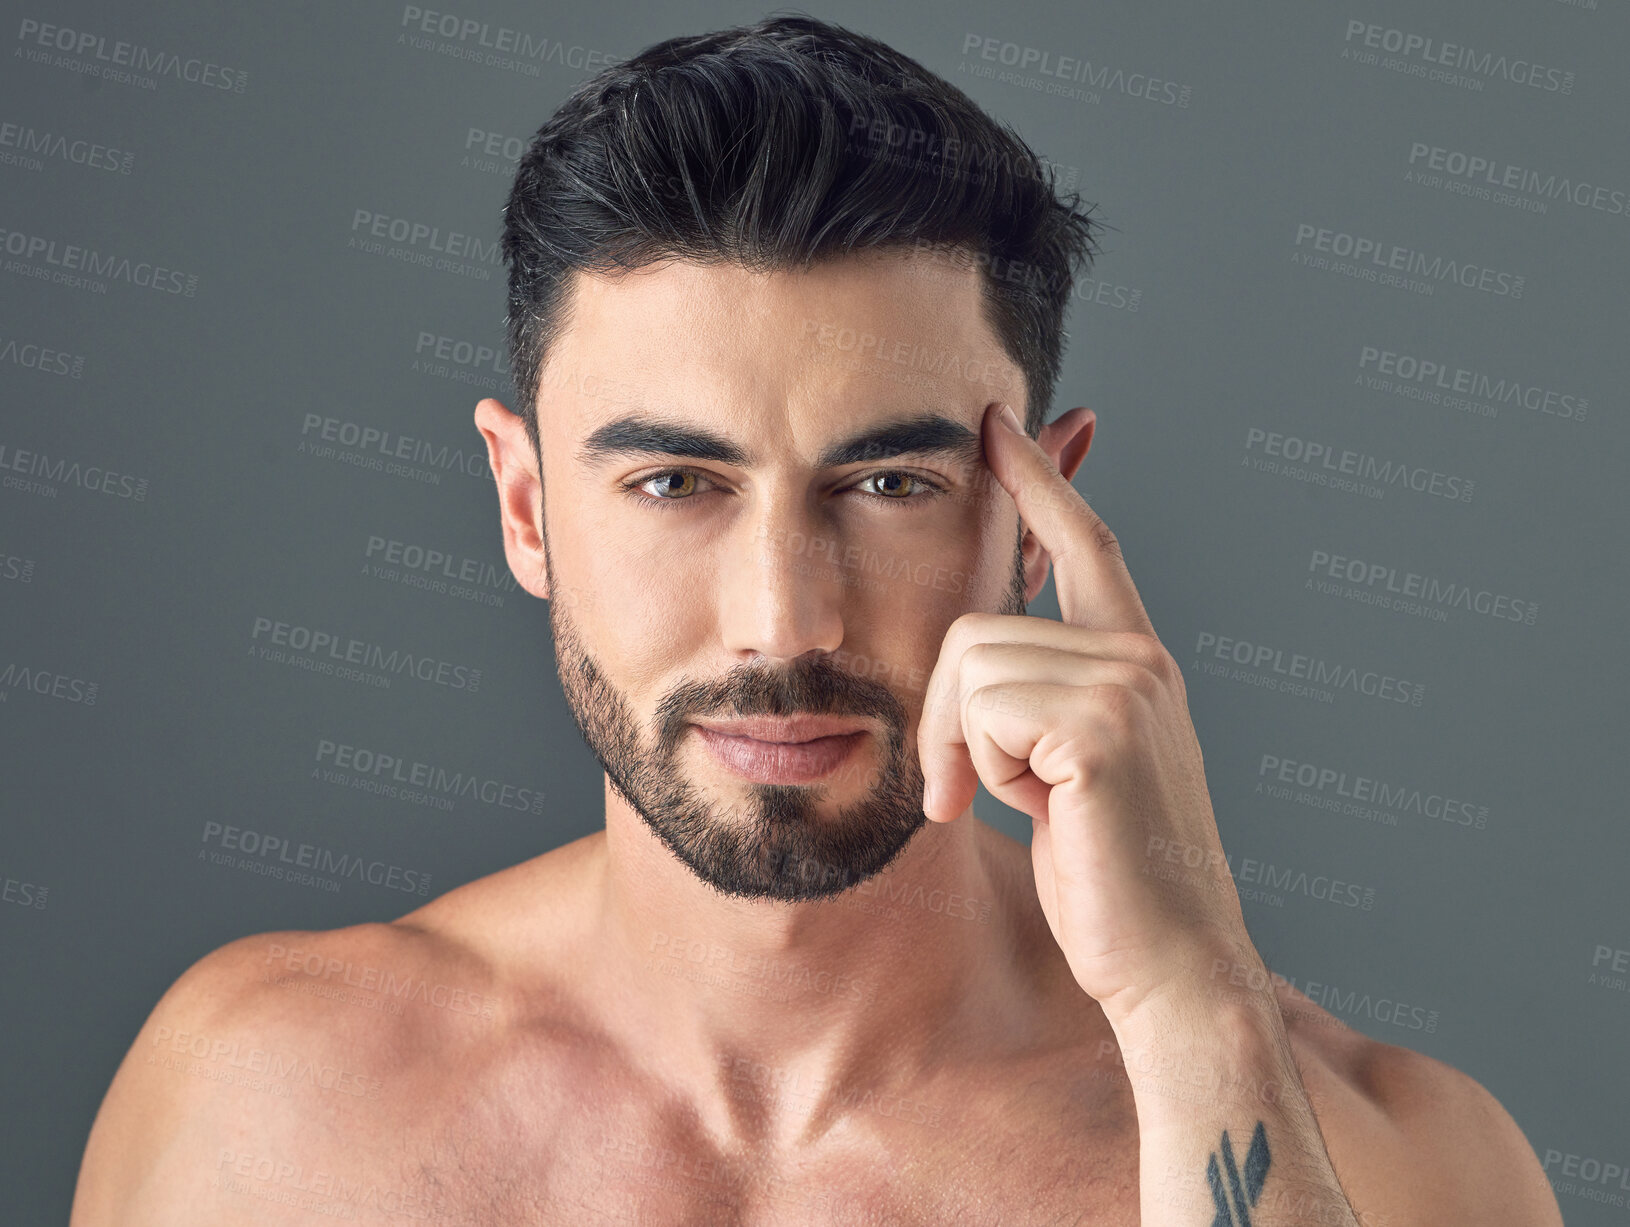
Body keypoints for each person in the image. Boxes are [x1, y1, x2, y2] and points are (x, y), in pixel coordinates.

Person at [71, 14, 1563, 1224]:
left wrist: (1192, 1007)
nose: (780, 614)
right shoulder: (264, 1107)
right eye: (672, 482)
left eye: (891, 481)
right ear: (525, 508)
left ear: (1039, 517)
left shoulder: (1381, 1162)